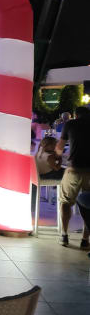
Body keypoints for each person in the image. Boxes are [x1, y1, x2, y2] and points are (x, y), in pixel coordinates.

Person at [55, 106, 90, 248]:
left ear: (75, 115)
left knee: (65, 202)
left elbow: (59, 148)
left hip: (73, 169)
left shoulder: (70, 124)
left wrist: (59, 155)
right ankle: (85, 240)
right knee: (89, 204)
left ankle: (64, 235)